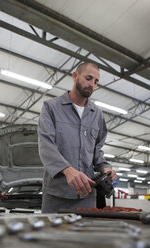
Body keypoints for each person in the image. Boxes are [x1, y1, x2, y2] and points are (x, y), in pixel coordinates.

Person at [38, 61, 117, 213]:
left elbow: (97, 151)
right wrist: (68, 171)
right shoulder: (51, 107)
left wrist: (105, 168)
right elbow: (46, 147)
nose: (92, 84)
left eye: (96, 81)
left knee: (83, 236)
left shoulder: (97, 115)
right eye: (88, 78)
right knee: (52, 236)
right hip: (56, 196)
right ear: (75, 76)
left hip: (86, 197)